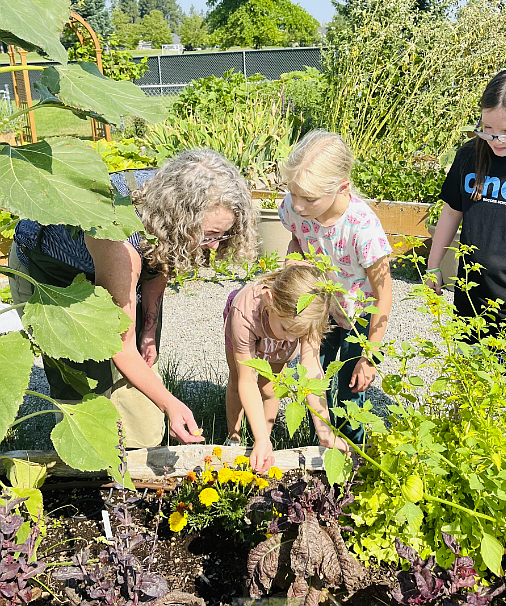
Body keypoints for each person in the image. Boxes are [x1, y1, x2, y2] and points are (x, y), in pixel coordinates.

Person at [9, 149, 256, 449]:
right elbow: (120, 345)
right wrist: (171, 405)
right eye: (209, 234)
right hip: (53, 277)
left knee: (142, 418)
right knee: (86, 390)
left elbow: (164, 257)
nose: (215, 245)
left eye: (223, 235)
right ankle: (90, 462)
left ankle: (134, 451)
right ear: (182, 220)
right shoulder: (118, 241)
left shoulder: (167, 196)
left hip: (117, 269)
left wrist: (148, 328)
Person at [426, 66, 506, 435]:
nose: (496, 140)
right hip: (472, 289)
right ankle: (465, 440)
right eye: (487, 129)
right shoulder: (472, 155)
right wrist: (433, 264)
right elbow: (452, 211)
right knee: (468, 373)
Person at [278, 130, 392, 445]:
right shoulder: (294, 207)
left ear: (342, 186)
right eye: (293, 193)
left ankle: (353, 455)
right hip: (320, 310)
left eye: (308, 198)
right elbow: (296, 241)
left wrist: (369, 356)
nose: (298, 206)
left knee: (349, 391)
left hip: (358, 318)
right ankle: (324, 451)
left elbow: (384, 295)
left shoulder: (362, 228)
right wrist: (292, 264)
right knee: (316, 380)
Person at [224, 264, 350, 472]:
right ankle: (233, 437)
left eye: (297, 335)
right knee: (237, 382)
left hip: (274, 331)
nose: (292, 340)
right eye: (288, 330)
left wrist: (325, 431)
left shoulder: (307, 315)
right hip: (247, 330)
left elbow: (310, 369)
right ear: (270, 299)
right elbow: (247, 379)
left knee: (270, 388)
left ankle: (264, 439)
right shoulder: (244, 311)